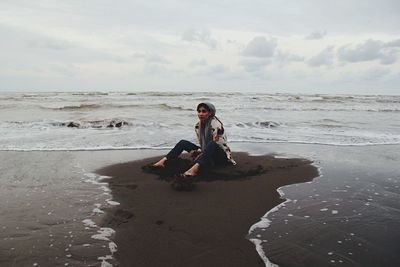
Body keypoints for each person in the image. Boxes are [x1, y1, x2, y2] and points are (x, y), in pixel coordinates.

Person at [152, 102, 236, 177]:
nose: (200, 114)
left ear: (210, 113)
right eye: (199, 111)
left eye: (204, 111)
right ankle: (163, 161)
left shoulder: (216, 125)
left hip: (221, 157)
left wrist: (201, 154)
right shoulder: (198, 126)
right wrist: (199, 152)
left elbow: (218, 145)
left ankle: (194, 169)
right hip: (207, 153)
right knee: (183, 143)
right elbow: (204, 146)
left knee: (212, 143)